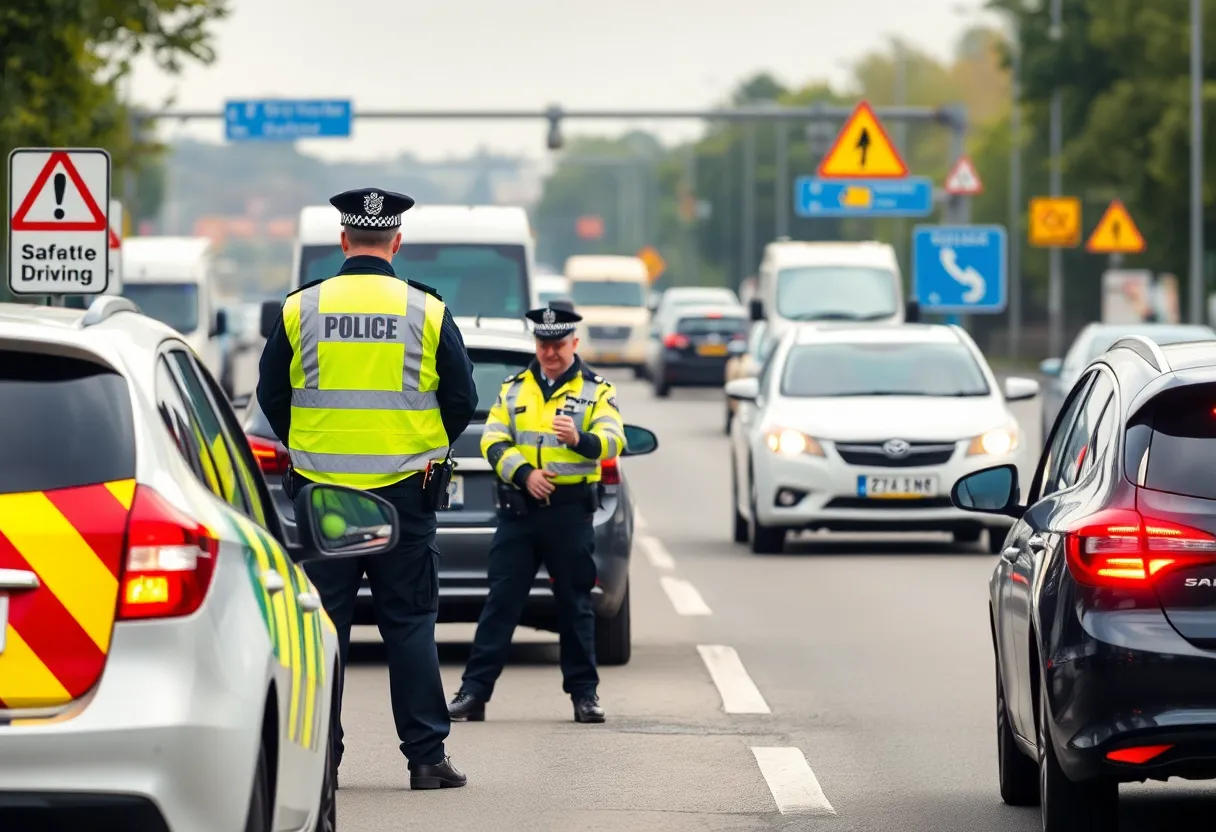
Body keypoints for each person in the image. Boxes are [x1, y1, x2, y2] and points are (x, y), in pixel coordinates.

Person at [256, 187, 477, 790]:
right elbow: (462, 399)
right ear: (396, 242)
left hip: (323, 496)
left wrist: (310, 451)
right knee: (409, 623)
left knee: (323, 628)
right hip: (406, 493)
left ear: (344, 241)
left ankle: (322, 758)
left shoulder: (301, 308)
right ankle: (426, 760)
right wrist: (420, 447)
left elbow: (271, 396)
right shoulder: (425, 311)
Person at [447, 303, 626, 724]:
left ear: (574, 344)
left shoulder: (596, 391)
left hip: (569, 515)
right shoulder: (513, 388)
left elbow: (614, 440)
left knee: (574, 605)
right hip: (520, 514)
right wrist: (524, 473)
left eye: (559, 345)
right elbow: (492, 441)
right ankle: (473, 694)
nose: (550, 352)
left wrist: (580, 438)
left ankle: (585, 696)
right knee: (501, 604)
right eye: (544, 344)